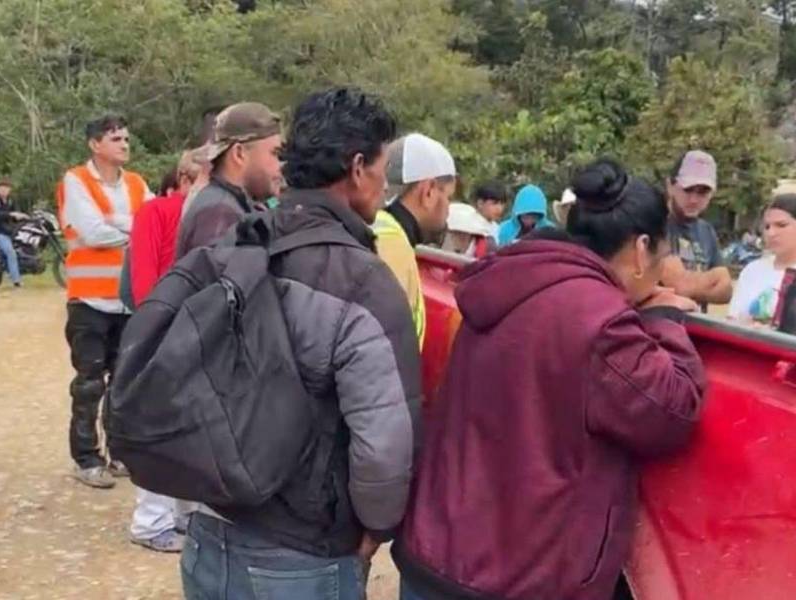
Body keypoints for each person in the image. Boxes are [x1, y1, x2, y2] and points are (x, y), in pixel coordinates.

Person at [394, 159, 706, 600]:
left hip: (434, 559)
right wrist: (664, 319)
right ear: (640, 250)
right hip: (517, 581)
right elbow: (671, 410)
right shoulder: (603, 321)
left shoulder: (507, 276)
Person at [180, 87, 422, 600]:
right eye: (383, 165)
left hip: (207, 536)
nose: (385, 182)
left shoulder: (237, 241)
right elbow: (384, 441)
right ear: (358, 167)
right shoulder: (362, 280)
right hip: (299, 556)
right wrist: (375, 528)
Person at [58, 115, 153, 488]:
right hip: (89, 301)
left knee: (123, 382)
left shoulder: (135, 183)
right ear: (95, 144)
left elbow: (153, 221)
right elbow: (92, 231)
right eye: (116, 138)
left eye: (127, 138)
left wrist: (118, 223)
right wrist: (132, 226)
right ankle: (86, 458)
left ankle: (118, 454)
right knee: (89, 383)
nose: (125, 144)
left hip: (127, 300)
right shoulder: (75, 180)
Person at [124, 149, 205, 554]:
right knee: (158, 426)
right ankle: (151, 519)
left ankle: (183, 512)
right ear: (185, 179)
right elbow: (144, 281)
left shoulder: (208, 214)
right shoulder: (158, 212)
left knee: (188, 427)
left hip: (191, 331)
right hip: (164, 331)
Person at [373, 133, 457, 346]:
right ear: (428, 191)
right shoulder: (392, 246)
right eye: (448, 196)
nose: (448, 208)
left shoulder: (373, 226)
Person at [176, 102, 282, 256]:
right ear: (239, 154)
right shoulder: (219, 214)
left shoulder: (224, 205)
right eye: (274, 153)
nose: (279, 165)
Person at [662, 150, 733, 307]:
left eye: (703, 192)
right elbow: (676, 283)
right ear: (670, 186)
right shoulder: (654, 222)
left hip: (692, 328)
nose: (694, 200)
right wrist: (710, 279)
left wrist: (689, 284)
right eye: (687, 189)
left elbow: (726, 290)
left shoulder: (706, 230)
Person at [730, 195, 796, 325]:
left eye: (781, 225)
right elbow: (733, 319)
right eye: (767, 227)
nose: (771, 233)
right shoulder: (752, 270)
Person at [0, 178, 26, 287]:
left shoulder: (10, 200)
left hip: (8, 230)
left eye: (7, 188)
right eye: (2, 188)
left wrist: (22, 217)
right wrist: (11, 215)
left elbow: (15, 214)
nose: (4, 190)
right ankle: (16, 280)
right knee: (10, 252)